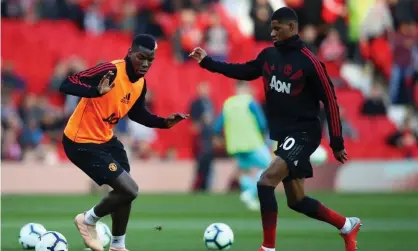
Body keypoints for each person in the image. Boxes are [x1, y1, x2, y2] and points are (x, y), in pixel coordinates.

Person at [189, 7, 360, 251]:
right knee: (297, 200)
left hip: (304, 133)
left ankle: (268, 248)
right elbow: (243, 70)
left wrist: (336, 141)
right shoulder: (268, 56)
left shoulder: (310, 62)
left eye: (277, 28)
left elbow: (331, 101)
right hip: (284, 135)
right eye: (271, 27)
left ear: (292, 28)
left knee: (265, 181)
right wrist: (207, 62)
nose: (272, 32)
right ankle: (347, 225)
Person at [60, 34, 188, 251]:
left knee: (124, 193)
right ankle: (87, 220)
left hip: (106, 141)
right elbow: (67, 83)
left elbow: (138, 114)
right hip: (80, 141)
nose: (146, 64)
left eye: (151, 60)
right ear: (130, 53)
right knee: (129, 189)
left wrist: (163, 123)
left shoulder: (140, 84)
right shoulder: (110, 70)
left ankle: (118, 246)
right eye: (141, 57)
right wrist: (94, 91)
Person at [213, 81, 271, 211]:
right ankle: (250, 192)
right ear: (245, 88)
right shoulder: (250, 102)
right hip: (252, 142)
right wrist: (264, 135)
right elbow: (262, 122)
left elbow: (217, 125)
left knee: (244, 170)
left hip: (235, 145)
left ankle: (248, 199)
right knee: (271, 167)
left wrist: (217, 137)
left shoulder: (228, 103)